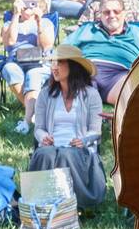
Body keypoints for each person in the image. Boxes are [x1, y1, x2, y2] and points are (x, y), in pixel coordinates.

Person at [30, 45, 107, 208]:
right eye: (52, 63)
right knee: (45, 154)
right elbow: (39, 128)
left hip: (78, 148)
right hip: (52, 145)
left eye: (59, 62)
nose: (54, 67)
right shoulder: (45, 94)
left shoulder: (91, 95)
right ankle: (40, 205)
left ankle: (71, 206)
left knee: (67, 155)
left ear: (73, 66)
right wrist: (43, 137)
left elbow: (96, 130)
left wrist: (84, 140)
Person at [64, 0, 139, 104]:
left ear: (124, 14)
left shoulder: (138, 33)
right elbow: (64, 49)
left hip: (119, 75)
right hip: (87, 70)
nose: (112, 15)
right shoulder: (87, 29)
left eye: (116, 11)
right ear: (100, 15)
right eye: (106, 12)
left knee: (133, 97)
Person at [1, 0, 57, 134]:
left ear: (40, 6)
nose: (28, 8)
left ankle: (26, 121)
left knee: (34, 75)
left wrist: (38, 22)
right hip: (15, 61)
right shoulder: (9, 23)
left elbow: (46, 46)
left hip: (39, 60)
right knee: (9, 70)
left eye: (33, 4)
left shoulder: (46, 23)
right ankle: (36, 112)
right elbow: (10, 42)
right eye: (25, 4)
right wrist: (15, 15)